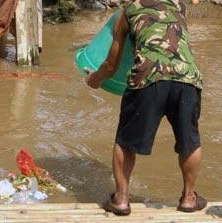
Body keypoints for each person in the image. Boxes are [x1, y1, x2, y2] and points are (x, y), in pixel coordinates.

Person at [85, 0, 206, 216]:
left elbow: (111, 65)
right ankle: (189, 198)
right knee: (190, 141)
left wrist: (94, 79)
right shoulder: (179, 6)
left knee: (125, 142)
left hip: (148, 76)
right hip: (187, 78)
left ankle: (121, 200)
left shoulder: (126, 13)